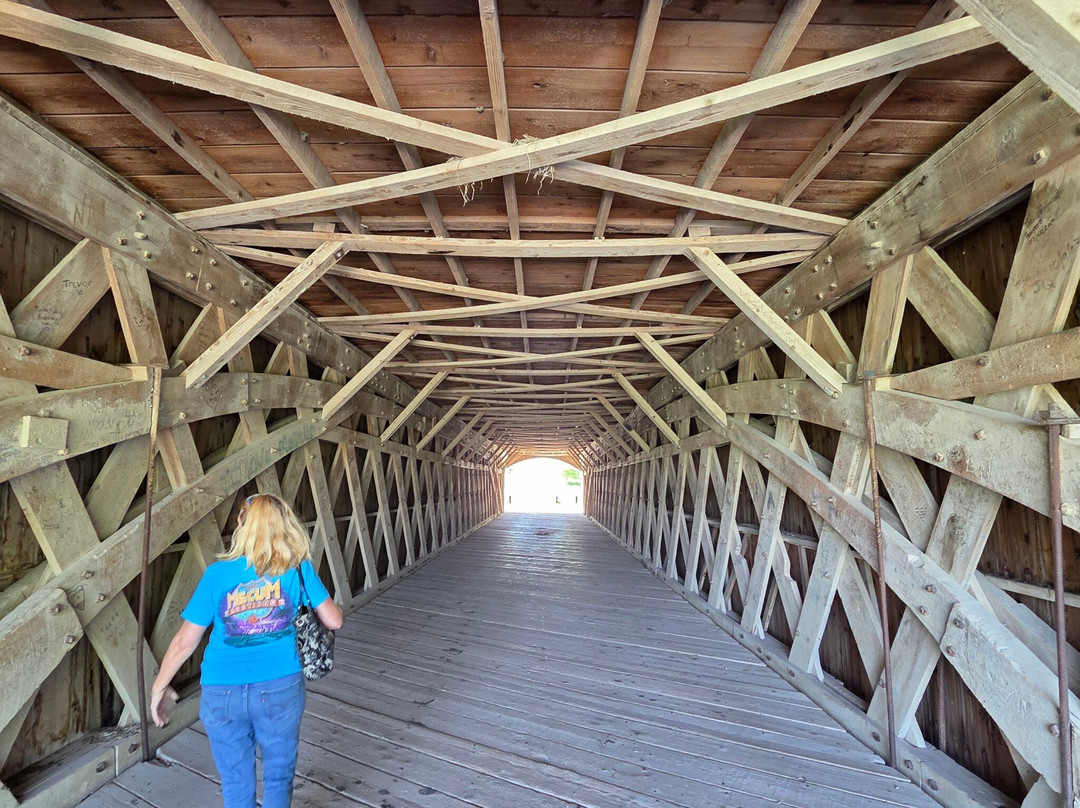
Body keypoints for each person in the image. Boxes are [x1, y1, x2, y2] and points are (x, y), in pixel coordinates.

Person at [150, 493, 344, 808]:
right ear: (285, 526)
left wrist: (159, 688)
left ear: (242, 524)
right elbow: (334, 620)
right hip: (281, 684)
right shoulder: (297, 568)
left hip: (221, 690)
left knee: (236, 782)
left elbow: (185, 641)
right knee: (278, 776)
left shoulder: (217, 574)